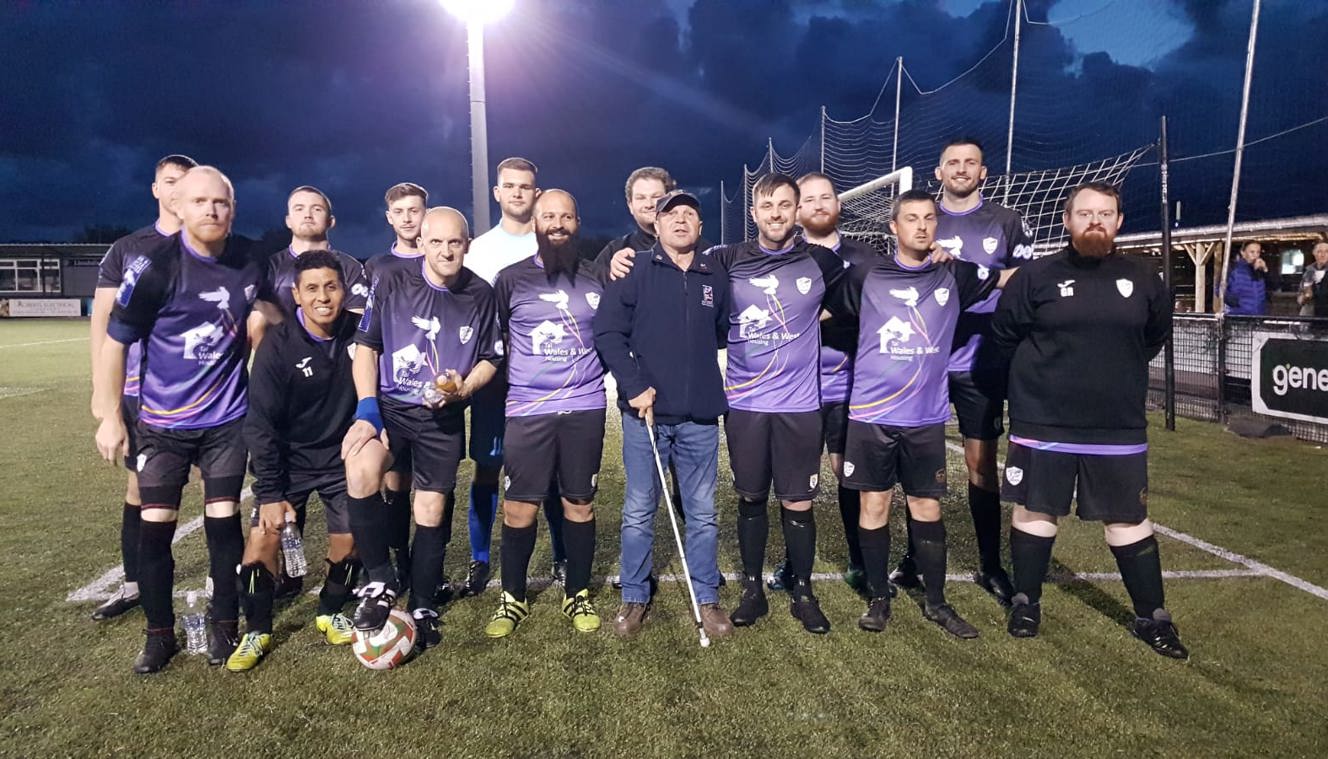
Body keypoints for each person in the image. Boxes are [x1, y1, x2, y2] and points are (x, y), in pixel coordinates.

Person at [992, 181, 1188, 660]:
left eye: (1105, 213)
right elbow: (1003, 337)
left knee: (1128, 518)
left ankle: (1152, 616)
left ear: (1119, 221)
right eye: (1085, 213)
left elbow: (1154, 335)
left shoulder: (1144, 279)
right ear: (1067, 220)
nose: (1095, 221)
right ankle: (1026, 602)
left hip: (1116, 427)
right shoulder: (1034, 277)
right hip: (1043, 422)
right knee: (1036, 512)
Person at [93, 166, 273, 673]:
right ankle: (159, 635)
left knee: (223, 523)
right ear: (180, 207)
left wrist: (266, 327)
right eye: (200, 202)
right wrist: (110, 415)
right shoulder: (154, 266)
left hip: (227, 421)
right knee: (156, 528)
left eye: (221, 202)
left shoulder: (250, 260)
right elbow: (115, 343)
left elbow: (274, 310)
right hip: (161, 423)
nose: (211, 210)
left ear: (232, 209)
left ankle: (223, 626)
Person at [834, 190, 1018, 638]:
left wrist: (1068, 267)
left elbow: (1009, 279)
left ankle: (937, 602)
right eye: (911, 218)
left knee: (926, 505)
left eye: (929, 218)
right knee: (874, 503)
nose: (921, 226)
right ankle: (879, 598)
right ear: (893, 227)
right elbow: (819, 311)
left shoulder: (956, 274)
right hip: (871, 413)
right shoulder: (865, 275)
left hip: (924, 416)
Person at [343, 206, 501, 654]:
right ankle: (380, 581)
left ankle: (425, 604)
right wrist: (368, 409)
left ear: (466, 245)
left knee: (429, 510)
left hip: (441, 419)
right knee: (360, 470)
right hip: (391, 410)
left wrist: (463, 389)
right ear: (423, 244)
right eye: (437, 242)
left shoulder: (481, 294)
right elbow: (366, 348)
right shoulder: (391, 281)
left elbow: (490, 358)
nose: (447, 250)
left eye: (455, 242)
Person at [894, 138, 1033, 604]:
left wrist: (972, 281)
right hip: (926, 360)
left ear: (983, 172)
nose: (961, 169)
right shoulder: (922, 218)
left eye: (970, 162)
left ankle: (991, 565)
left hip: (981, 359)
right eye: (952, 162)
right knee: (920, 462)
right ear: (938, 172)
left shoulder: (1005, 221)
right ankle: (914, 558)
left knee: (981, 464)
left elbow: (1023, 281)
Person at [594, 190, 734, 640]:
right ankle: (634, 597)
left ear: (700, 227)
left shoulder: (715, 275)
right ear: (656, 225)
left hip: (699, 419)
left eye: (689, 214)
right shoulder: (633, 269)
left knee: (703, 513)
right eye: (670, 214)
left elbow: (718, 333)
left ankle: (706, 597)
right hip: (646, 415)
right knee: (638, 510)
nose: (680, 221)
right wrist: (634, 386)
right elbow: (608, 332)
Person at [713, 173, 849, 634]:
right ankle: (752, 588)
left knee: (798, 503)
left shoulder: (821, 261)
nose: (775, 213)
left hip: (799, 406)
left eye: (784, 205)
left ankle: (804, 592)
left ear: (797, 212)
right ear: (753, 213)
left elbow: (857, 297)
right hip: (747, 405)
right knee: (751, 497)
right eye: (767, 205)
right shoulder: (727, 259)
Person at [228, 250, 361, 671]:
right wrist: (269, 491)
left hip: (341, 459)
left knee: (352, 536)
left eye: (331, 286)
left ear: (344, 290)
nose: (323, 297)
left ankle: (330, 609)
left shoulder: (361, 335)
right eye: (312, 289)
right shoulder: (277, 347)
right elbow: (260, 424)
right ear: (296, 296)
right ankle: (258, 628)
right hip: (288, 462)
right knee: (262, 541)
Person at [483, 190, 606, 637]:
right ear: (535, 222)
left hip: (585, 407)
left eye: (566, 216)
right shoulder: (510, 279)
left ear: (577, 222)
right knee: (519, 509)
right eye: (549, 216)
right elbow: (492, 344)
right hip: (528, 411)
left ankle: (577, 592)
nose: (557, 224)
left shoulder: (596, 277)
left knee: (579, 503)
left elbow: (611, 339)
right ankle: (512, 597)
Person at [88, 152, 197, 622]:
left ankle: (221, 579)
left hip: (201, 391)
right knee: (140, 487)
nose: (177, 191)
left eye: (186, 183)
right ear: (156, 189)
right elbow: (103, 323)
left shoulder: (210, 247)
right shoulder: (128, 249)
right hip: (140, 393)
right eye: (169, 182)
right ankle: (133, 583)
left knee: (219, 486)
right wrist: (104, 397)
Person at [768, 171, 881, 594]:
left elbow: (877, 309)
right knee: (796, 482)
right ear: (796, 211)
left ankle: (859, 559)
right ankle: (794, 563)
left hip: (849, 387)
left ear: (838, 203)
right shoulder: (783, 256)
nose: (818, 205)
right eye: (808, 199)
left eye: (826, 197)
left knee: (849, 474)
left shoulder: (865, 257)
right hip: (796, 390)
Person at [460, 157, 566, 598]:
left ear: (537, 194)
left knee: (557, 472)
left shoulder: (553, 246)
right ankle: (480, 559)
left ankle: (562, 556)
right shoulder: (479, 250)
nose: (519, 193)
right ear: (496, 193)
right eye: (510, 186)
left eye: (527, 186)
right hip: (497, 378)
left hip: (546, 377)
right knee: (488, 467)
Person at [361, 182, 430, 595]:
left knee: (434, 483)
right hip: (393, 394)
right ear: (389, 217)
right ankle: (398, 557)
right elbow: (368, 336)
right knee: (395, 481)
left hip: (435, 397)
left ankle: (424, 567)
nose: (407, 217)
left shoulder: (441, 259)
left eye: (415, 210)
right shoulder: (378, 267)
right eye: (399, 211)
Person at [261, 185, 369, 319]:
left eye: (317, 209)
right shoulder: (270, 266)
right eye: (299, 209)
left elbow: (361, 321)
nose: (307, 215)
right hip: (280, 338)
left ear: (331, 221)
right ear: (288, 221)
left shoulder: (350, 267)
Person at [1223, 241, 1273, 316]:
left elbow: (1274, 287)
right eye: (1252, 252)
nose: (1255, 255)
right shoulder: (1233, 269)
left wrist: (1265, 270)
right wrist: (1235, 302)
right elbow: (1220, 288)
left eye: (1258, 252)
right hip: (1238, 315)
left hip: (1259, 315)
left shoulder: (1261, 271)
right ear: (1243, 253)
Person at [1297, 240, 1328, 317]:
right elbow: (1299, 298)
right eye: (1319, 251)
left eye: (1326, 251)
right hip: (1309, 317)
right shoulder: (1308, 272)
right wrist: (1305, 297)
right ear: (1314, 253)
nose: (1323, 255)